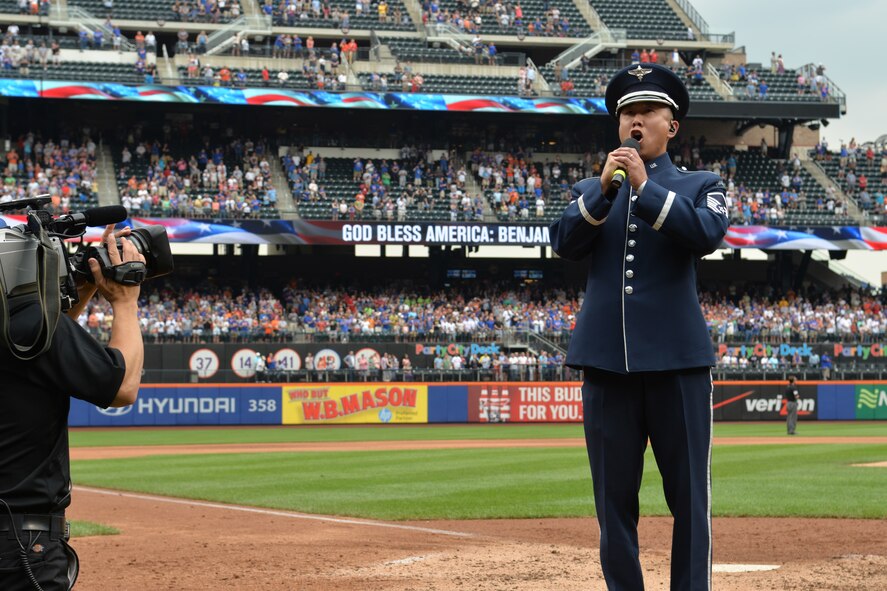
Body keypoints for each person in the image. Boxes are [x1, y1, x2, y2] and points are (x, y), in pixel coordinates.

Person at [550, 62, 729, 590]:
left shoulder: (701, 185)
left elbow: (705, 234)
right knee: (613, 506)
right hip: (606, 366)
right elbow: (563, 243)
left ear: (671, 126)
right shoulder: (593, 189)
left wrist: (646, 188)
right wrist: (604, 192)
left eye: (647, 111)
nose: (635, 120)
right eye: (627, 112)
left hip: (679, 365)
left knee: (690, 501)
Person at [0, 225, 145, 590]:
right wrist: (125, 301)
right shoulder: (24, 320)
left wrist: (81, 291)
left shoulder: (21, 328)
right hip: (19, 542)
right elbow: (122, 387)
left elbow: (35, 349)